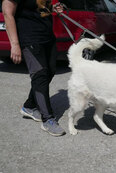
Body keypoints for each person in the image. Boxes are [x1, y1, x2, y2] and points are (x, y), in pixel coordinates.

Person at [2, 0, 66, 136]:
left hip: (48, 37)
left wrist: (54, 7)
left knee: (50, 71)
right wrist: (15, 44)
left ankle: (29, 106)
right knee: (40, 74)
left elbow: (40, 8)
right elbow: (8, 14)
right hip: (30, 37)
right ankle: (48, 119)